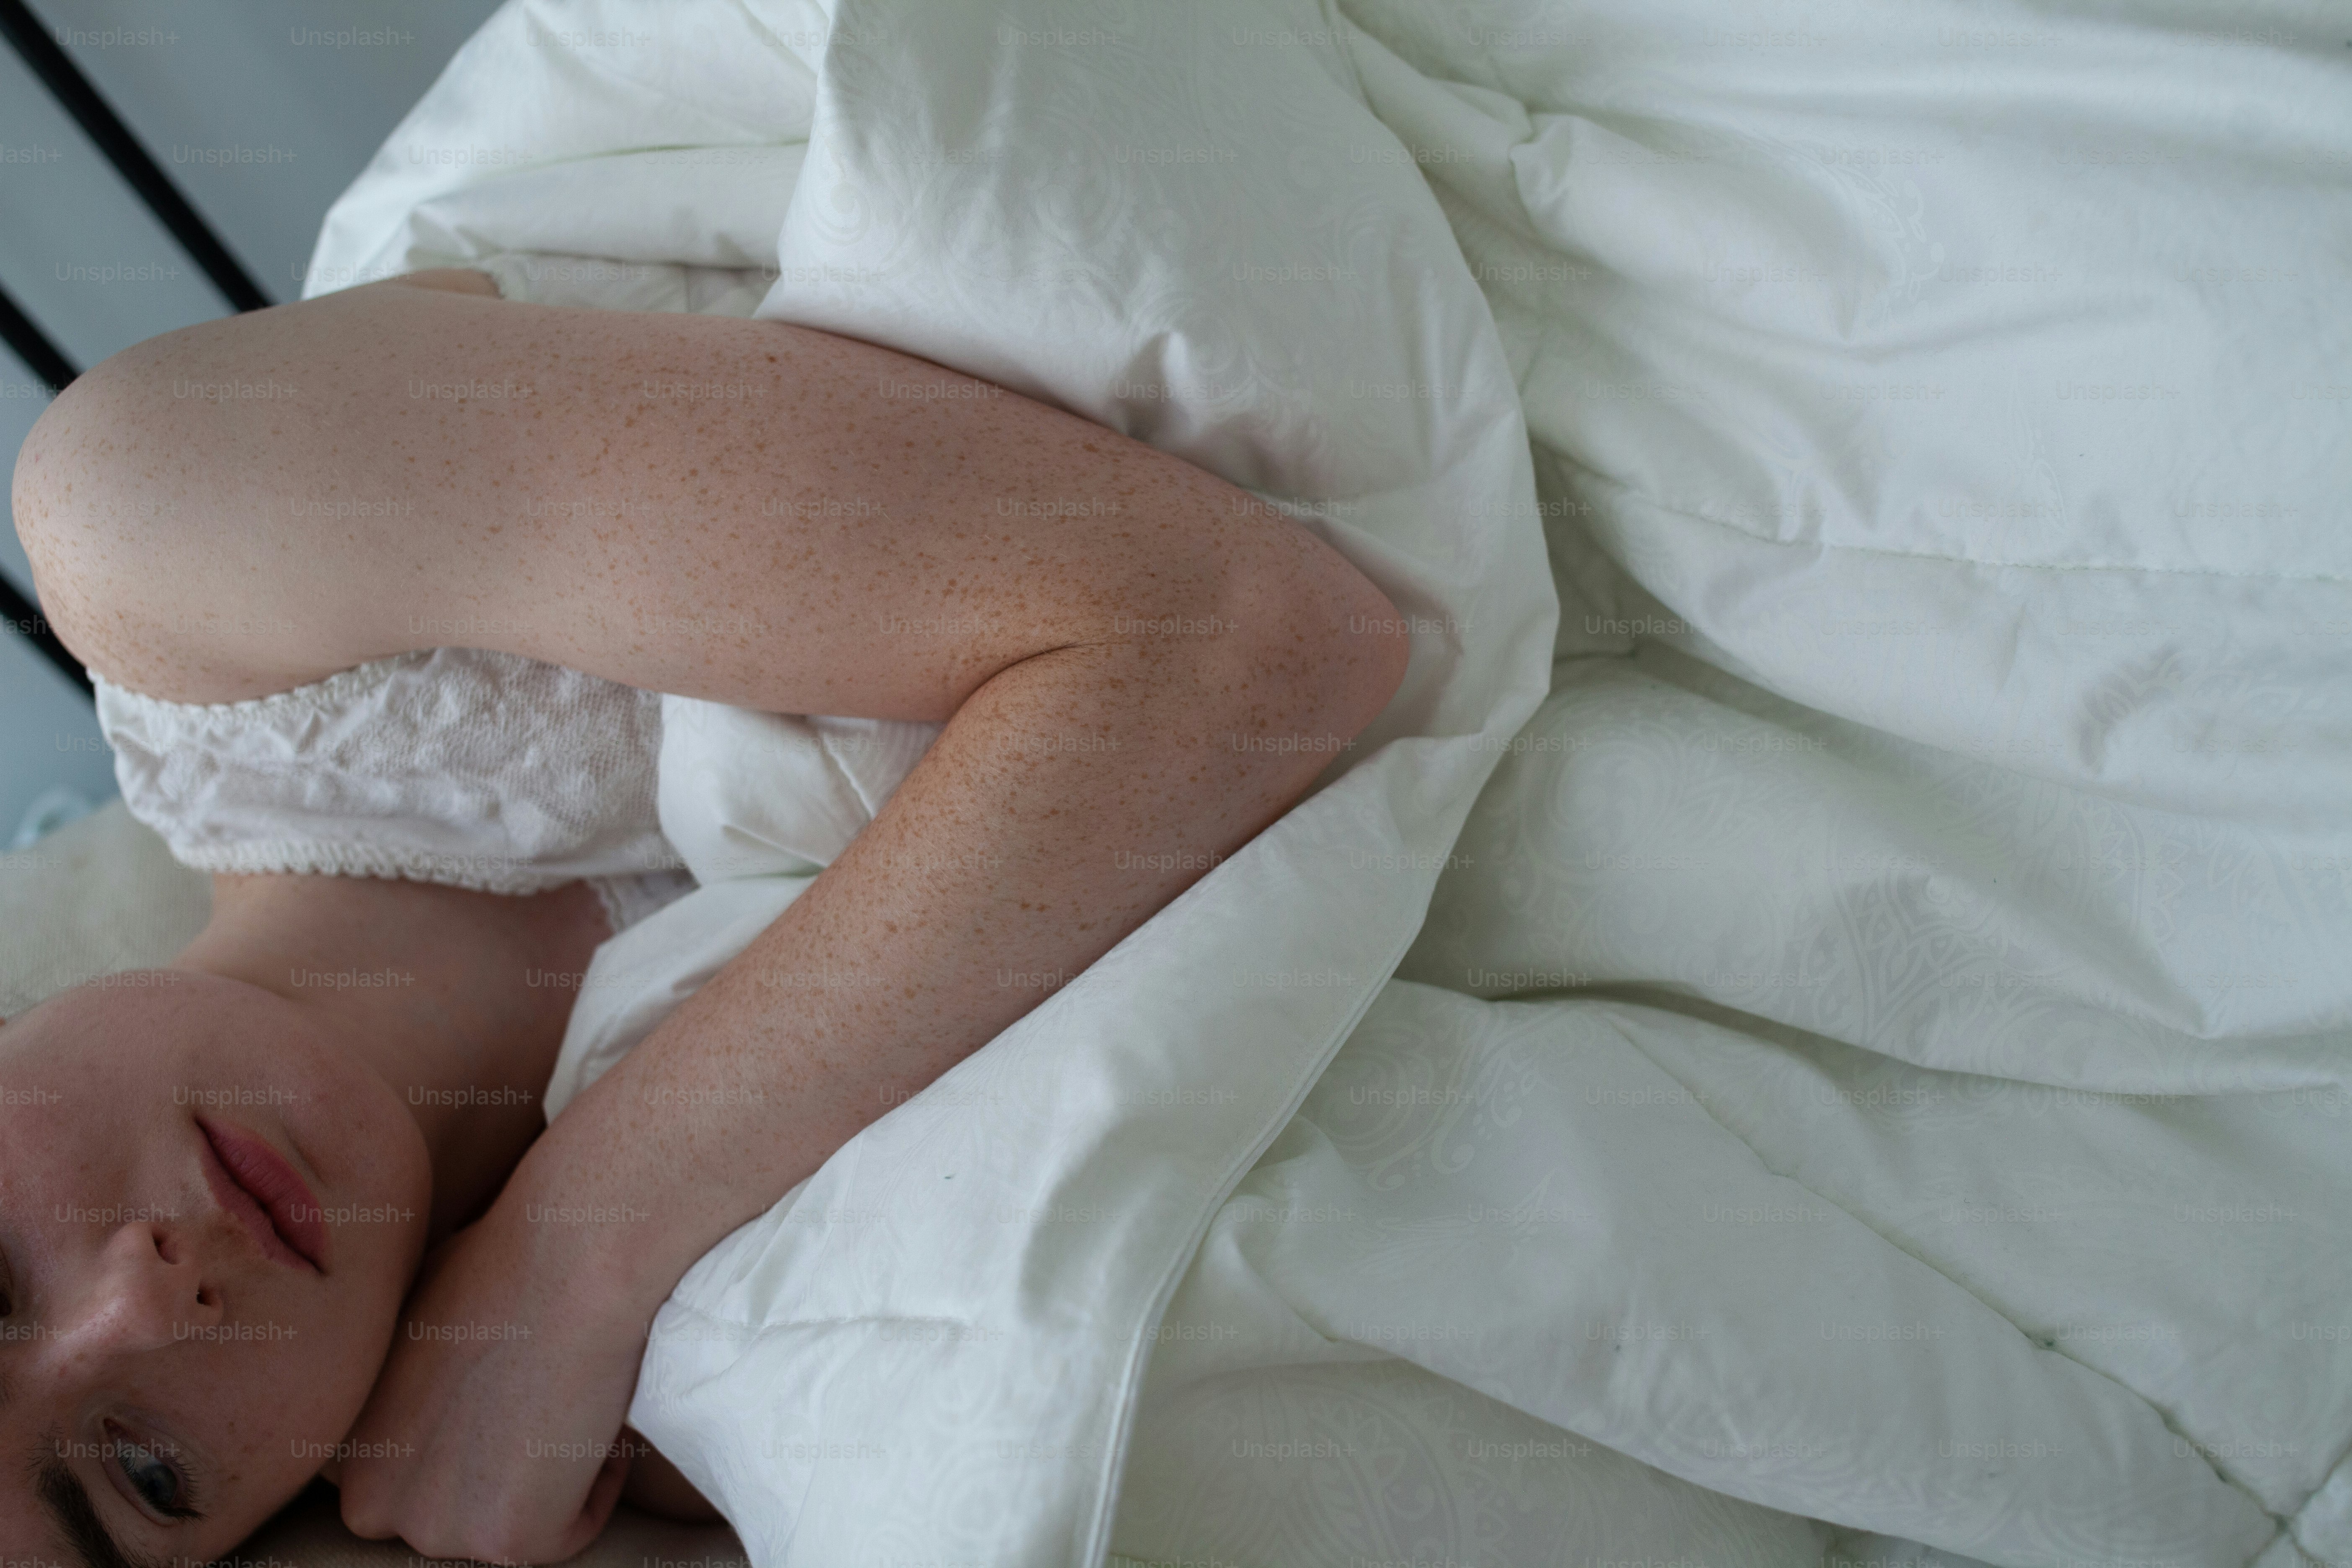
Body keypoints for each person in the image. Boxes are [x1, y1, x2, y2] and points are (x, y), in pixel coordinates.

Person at [0, 267, 1411, 1566]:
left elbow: (1243, 627)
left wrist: (578, 1245)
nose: (144, 1310)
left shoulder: (157, 520)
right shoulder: (687, 1389)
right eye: (144, 1473)